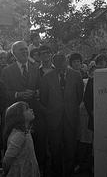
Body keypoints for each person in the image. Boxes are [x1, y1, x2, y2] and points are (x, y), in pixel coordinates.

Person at [1, 41, 47, 176]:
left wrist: (34, 93)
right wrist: (18, 94)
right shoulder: (7, 71)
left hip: (33, 111)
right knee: (18, 144)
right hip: (16, 114)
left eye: (26, 49)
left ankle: (40, 169)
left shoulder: (35, 68)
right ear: (14, 53)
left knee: (37, 141)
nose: (24, 52)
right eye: (21, 50)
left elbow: (41, 89)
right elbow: (5, 93)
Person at [40, 52, 84, 177]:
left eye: (63, 69)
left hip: (71, 117)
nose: (61, 71)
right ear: (54, 65)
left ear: (67, 64)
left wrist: (71, 107)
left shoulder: (76, 75)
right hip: (54, 118)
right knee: (55, 149)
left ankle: (69, 173)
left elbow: (79, 95)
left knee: (70, 149)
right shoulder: (47, 77)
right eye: (59, 69)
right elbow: (44, 99)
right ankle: (56, 173)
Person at [69, 53, 92, 175]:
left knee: (86, 138)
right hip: (75, 109)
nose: (77, 64)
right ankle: (79, 160)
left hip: (87, 110)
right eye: (74, 62)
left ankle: (85, 161)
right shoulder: (68, 76)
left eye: (78, 61)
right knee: (78, 137)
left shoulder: (86, 77)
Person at [2, 101, 40, 177]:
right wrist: (5, 172)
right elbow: (7, 161)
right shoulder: (18, 135)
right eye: (27, 109)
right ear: (19, 116)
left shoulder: (26, 131)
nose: (31, 109)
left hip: (29, 168)